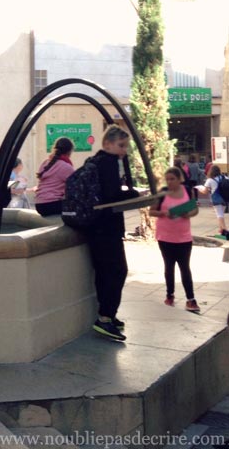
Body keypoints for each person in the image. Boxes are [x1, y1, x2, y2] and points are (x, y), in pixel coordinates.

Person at [86, 125, 139, 342]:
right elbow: (111, 195)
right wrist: (131, 194)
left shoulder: (93, 161)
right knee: (118, 271)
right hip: (107, 227)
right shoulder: (108, 163)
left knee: (104, 272)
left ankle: (107, 315)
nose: (123, 150)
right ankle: (106, 318)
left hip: (95, 226)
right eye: (121, 145)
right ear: (107, 143)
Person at [149, 167, 200, 313]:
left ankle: (191, 299)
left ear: (179, 179)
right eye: (168, 179)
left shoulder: (186, 191)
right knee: (169, 266)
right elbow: (151, 211)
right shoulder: (163, 193)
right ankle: (169, 295)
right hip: (165, 237)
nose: (170, 182)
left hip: (183, 237)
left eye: (173, 179)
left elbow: (194, 209)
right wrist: (162, 213)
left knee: (185, 267)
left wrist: (187, 214)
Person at [34, 137, 74, 216]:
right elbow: (76, 186)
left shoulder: (45, 163)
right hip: (52, 204)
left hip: (39, 205)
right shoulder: (66, 167)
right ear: (69, 151)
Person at [196, 165, 228, 238]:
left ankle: (225, 230)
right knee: (221, 214)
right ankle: (221, 230)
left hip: (216, 199)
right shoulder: (225, 177)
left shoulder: (210, 180)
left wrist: (199, 188)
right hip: (225, 198)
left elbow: (205, 192)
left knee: (219, 215)